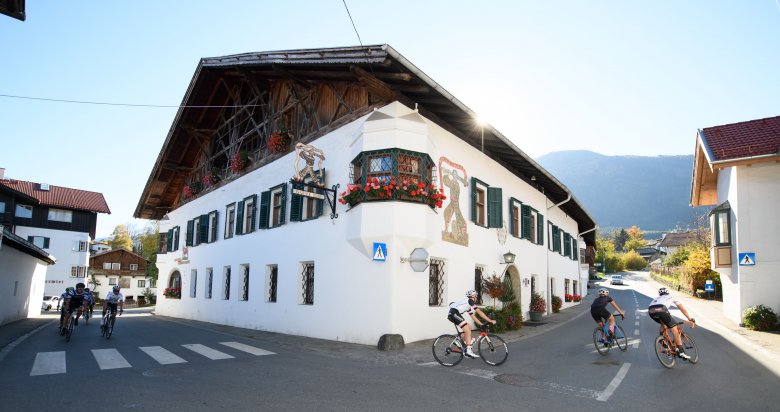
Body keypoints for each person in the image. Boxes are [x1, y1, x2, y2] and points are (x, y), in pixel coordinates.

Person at [648, 287, 696, 360]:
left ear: (660, 294)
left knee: (663, 323)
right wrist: (689, 319)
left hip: (651, 311)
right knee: (675, 330)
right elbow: (682, 309)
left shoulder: (657, 298)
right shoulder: (672, 296)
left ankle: (661, 338)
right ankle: (681, 352)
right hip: (661, 309)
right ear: (667, 292)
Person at [447, 290, 496, 358]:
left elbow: (474, 317)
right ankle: (468, 351)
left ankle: (458, 340)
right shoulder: (470, 301)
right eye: (476, 296)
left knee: (469, 327)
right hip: (454, 313)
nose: (476, 298)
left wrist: (481, 324)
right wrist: (490, 320)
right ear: (473, 296)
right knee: (468, 330)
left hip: (453, 313)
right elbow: (479, 312)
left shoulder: (468, 305)